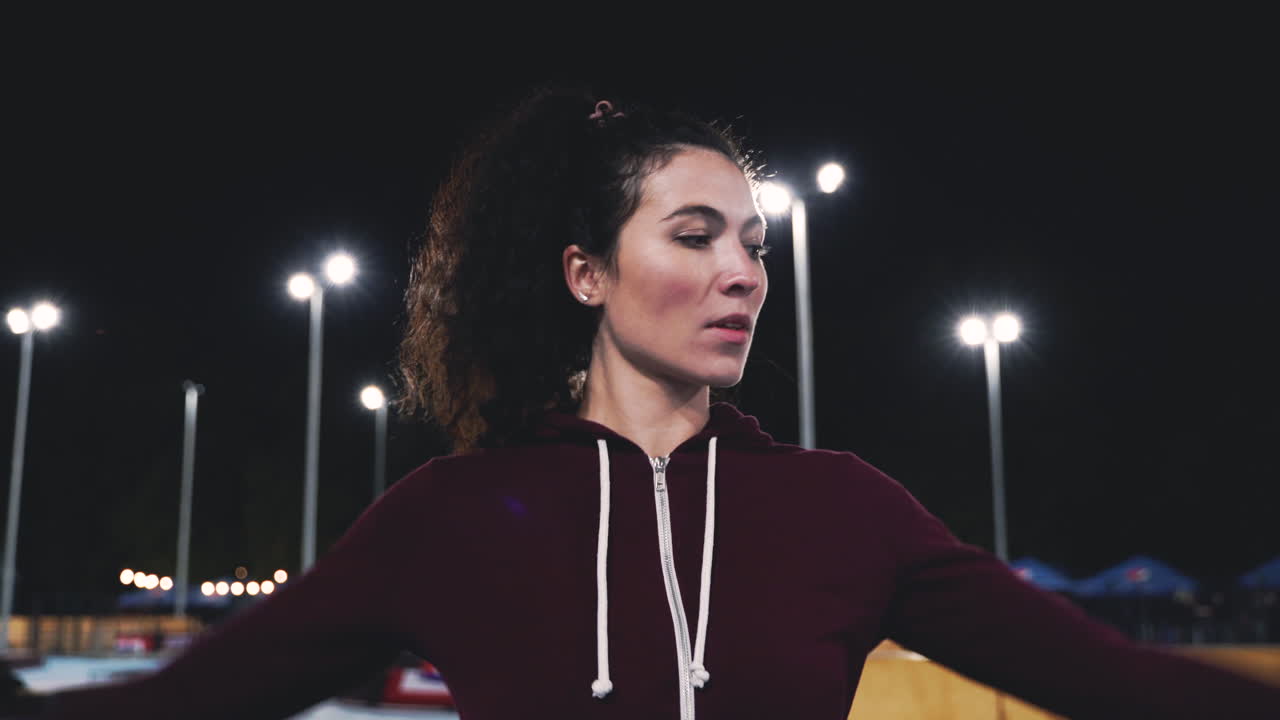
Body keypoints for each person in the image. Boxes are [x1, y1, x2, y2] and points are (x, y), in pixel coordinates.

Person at [3, 87, 1277, 719]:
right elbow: (183, 704)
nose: (741, 272)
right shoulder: (448, 515)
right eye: (693, 234)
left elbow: (1116, 685)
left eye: (754, 242)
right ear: (585, 273)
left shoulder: (843, 508)